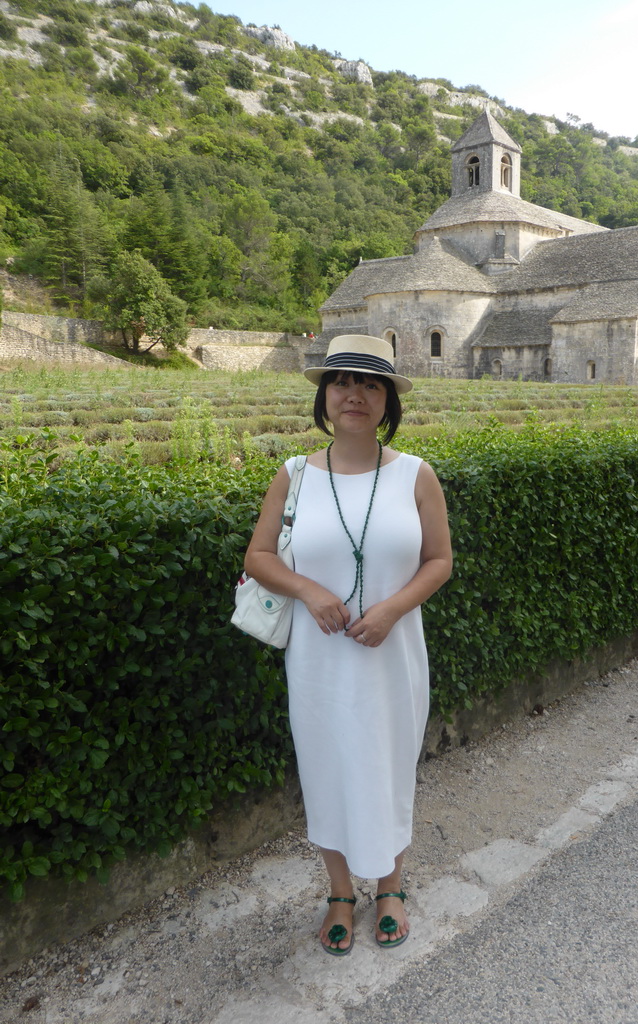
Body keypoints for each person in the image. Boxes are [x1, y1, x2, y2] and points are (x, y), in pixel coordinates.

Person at [244, 335, 452, 956]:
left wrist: (390, 609)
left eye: (369, 384)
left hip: (393, 657)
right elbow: (257, 557)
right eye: (341, 382)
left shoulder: (417, 475)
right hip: (319, 660)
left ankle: (391, 886)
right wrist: (310, 591)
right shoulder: (295, 475)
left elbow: (439, 562)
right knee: (327, 767)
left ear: (387, 400)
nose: (354, 394)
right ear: (323, 396)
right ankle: (339, 891)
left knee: (389, 767)